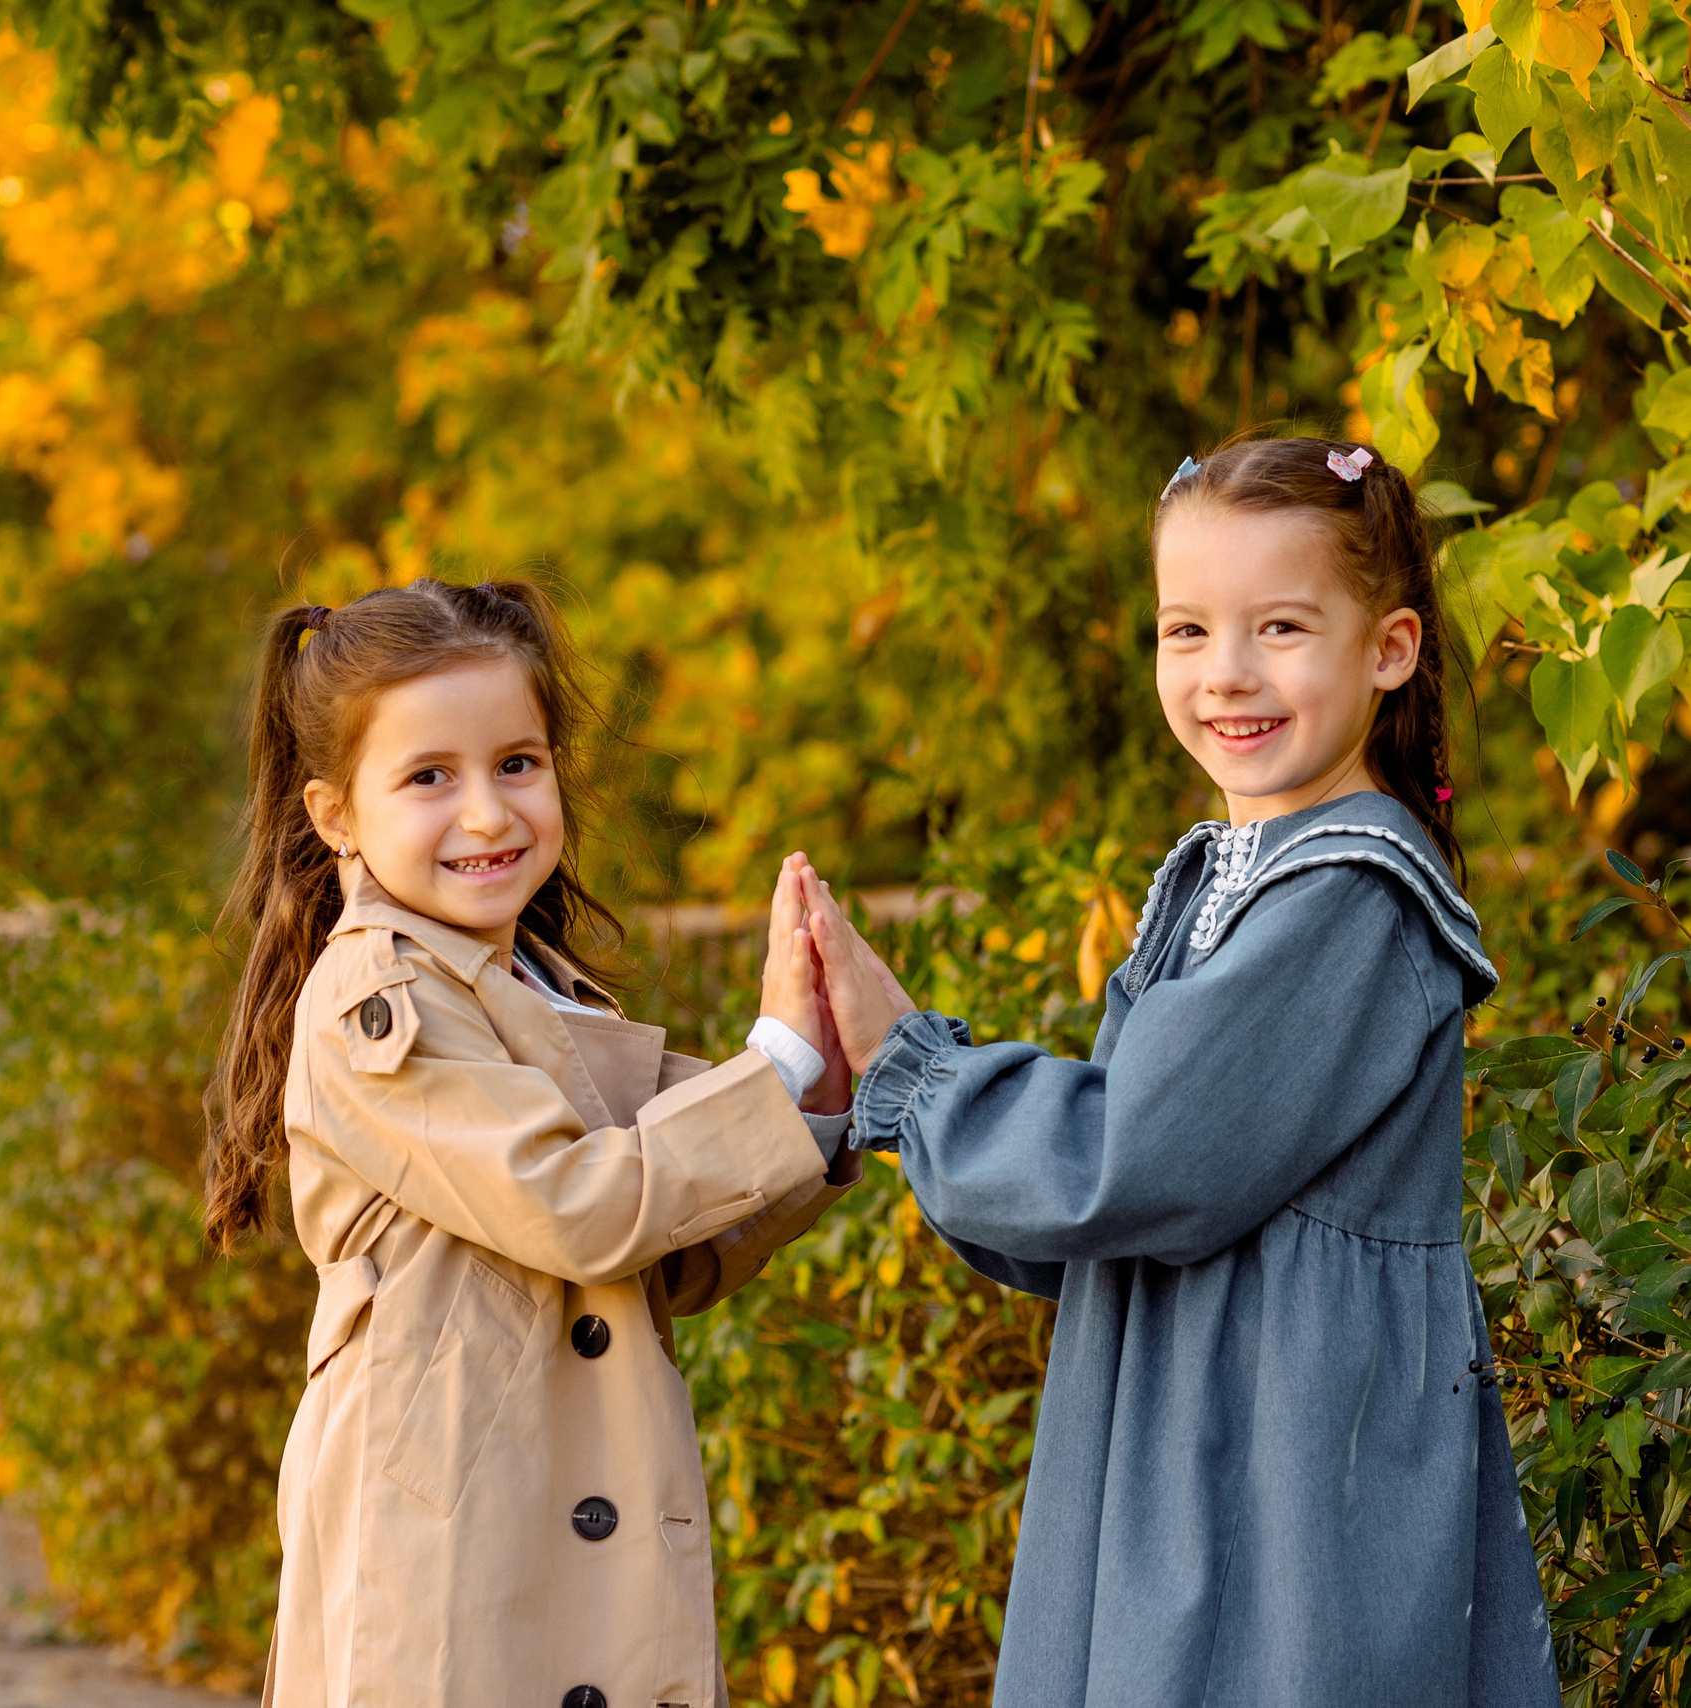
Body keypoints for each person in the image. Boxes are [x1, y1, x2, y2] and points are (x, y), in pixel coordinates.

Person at [796, 438, 1560, 1708]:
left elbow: (1126, 1163)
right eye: (1185, 629)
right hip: (1182, 1424)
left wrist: (911, 1067)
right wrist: (904, 1101)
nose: (1226, 673)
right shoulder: (1222, 875)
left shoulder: (1349, 895)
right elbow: (1099, 1222)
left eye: (1278, 626)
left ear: (1388, 648)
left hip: (1283, 1475)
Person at [203, 578, 858, 1708]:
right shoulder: (376, 992)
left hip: (556, 1518)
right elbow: (578, 1201)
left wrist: (818, 1096)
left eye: (517, 762)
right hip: (446, 1545)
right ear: (334, 815)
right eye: (427, 778)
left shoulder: (543, 991)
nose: (489, 813)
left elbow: (666, 1250)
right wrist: (776, 1061)